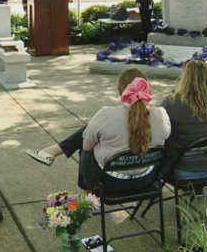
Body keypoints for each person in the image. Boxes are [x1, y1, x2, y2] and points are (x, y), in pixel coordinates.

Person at [27, 68, 171, 194]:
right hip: (146, 180)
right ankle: (52, 151)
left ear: (119, 91)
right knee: (96, 132)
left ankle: (89, 200)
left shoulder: (106, 115)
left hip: (111, 183)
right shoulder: (162, 114)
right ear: (147, 89)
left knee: (87, 148)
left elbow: (86, 147)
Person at [160, 60, 207, 193]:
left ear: (185, 79)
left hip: (180, 170)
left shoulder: (172, 103)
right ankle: (198, 190)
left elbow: (158, 133)